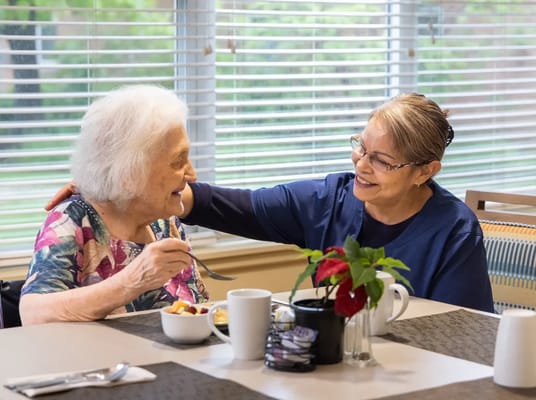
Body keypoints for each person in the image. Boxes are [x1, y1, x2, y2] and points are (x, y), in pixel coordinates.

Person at [46, 93, 495, 313]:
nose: (361, 164)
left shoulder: (452, 228)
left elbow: (464, 329)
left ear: (425, 171)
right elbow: (229, 205)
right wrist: (110, 181)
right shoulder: (328, 199)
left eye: (381, 161)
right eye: (360, 147)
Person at [21, 85, 209, 325]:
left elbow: (195, 310)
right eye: (178, 162)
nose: (192, 174)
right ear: (129, 173)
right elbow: (32, 314)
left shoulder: (165, 219)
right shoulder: (72, 221)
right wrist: (131, 280)